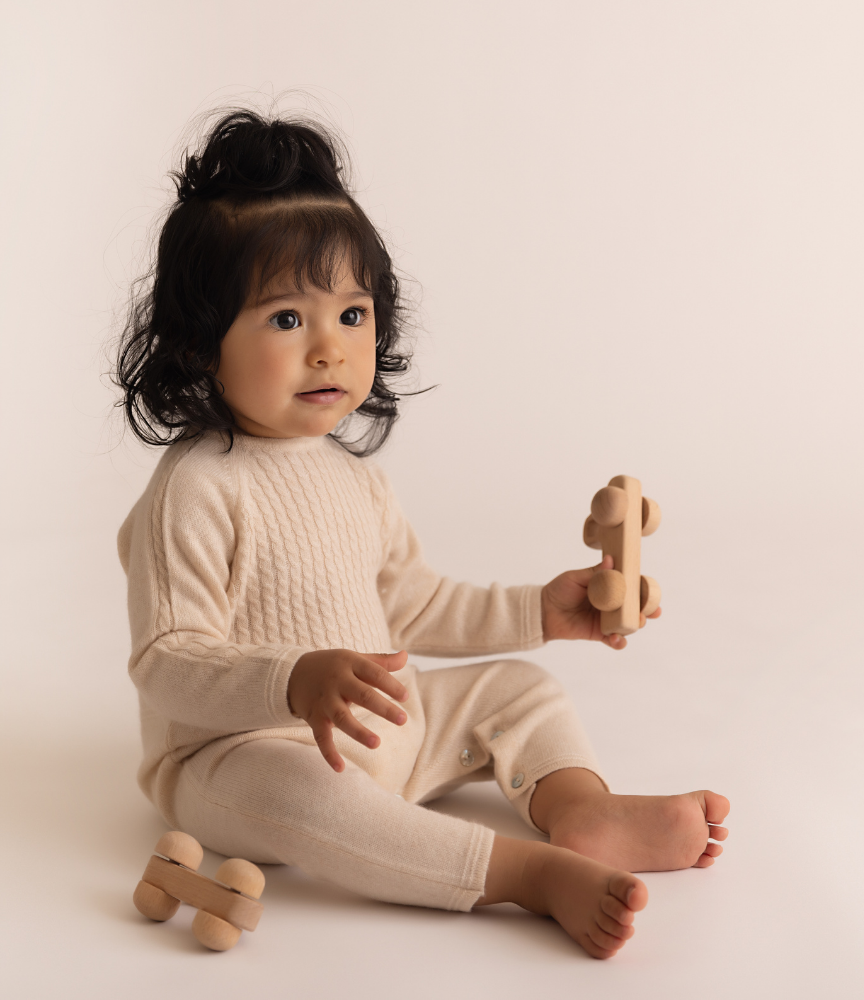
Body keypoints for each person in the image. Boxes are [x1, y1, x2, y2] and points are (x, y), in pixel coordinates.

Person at [115, 109, 729, 959]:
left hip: (387, 728)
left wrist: (541, 612)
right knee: (310, 799)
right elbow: (166, 661)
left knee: (517, 689)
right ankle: (524, 875)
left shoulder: (354, 479)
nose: (330, 348)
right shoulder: (195, 488)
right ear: (196, 348)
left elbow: (413, 602)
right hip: (240, 757)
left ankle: (578, 807)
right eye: (288, 320)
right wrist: (293, 684)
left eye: (353, 315)